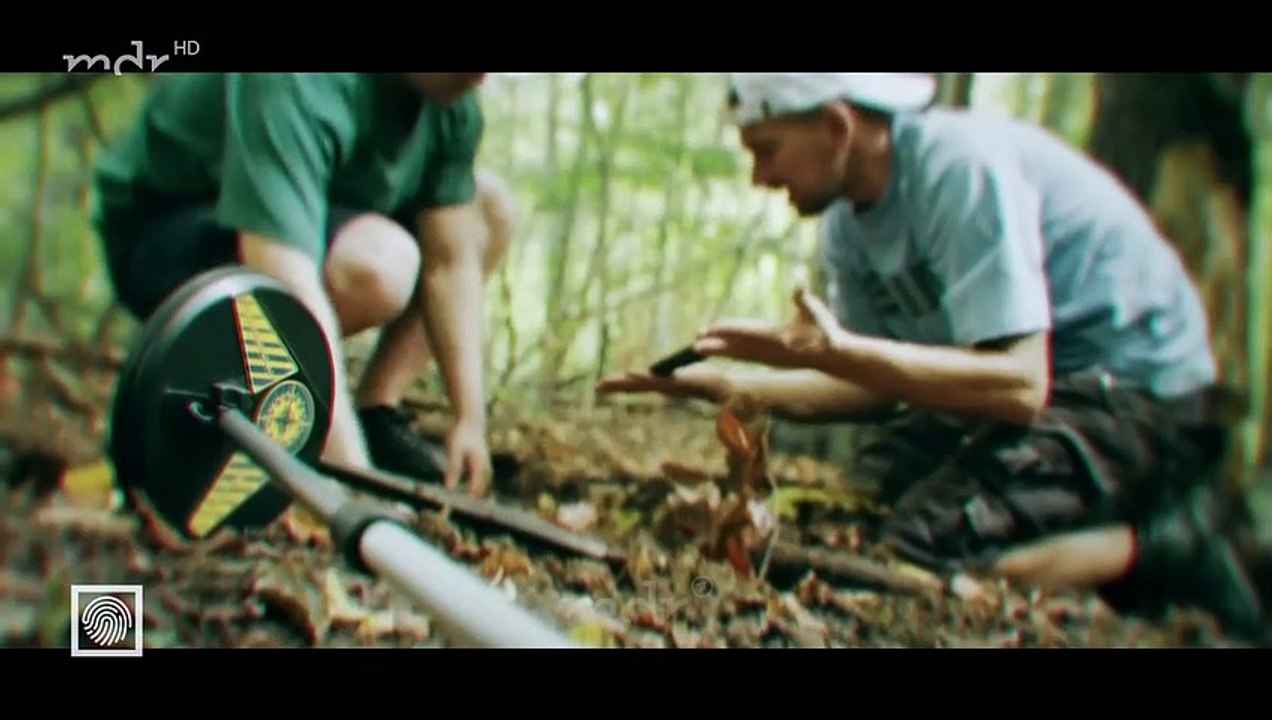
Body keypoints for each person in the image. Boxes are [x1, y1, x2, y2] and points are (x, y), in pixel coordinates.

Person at [597, 73, 1269, 642]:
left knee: (928, 546)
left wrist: (839, 350)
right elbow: (878, 386)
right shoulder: (847, 225)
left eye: (767, 150)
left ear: (836, 126)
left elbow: (1020, 386)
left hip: (1138, 387)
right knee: (873, 496)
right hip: (1037, 385)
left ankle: (1161, 550)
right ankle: (1085, 524)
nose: (759, 176)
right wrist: (730, 388)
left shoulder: (958, 167)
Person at [92, 73, 515, 497]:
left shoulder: (452, 102)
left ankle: (376, 416)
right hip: (166, 229)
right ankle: (206, 401)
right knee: (381, 266)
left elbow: (451, 261)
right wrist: (349, 480)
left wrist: (470, 421)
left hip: (311, 212)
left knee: (488, 210)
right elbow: (282, 267)